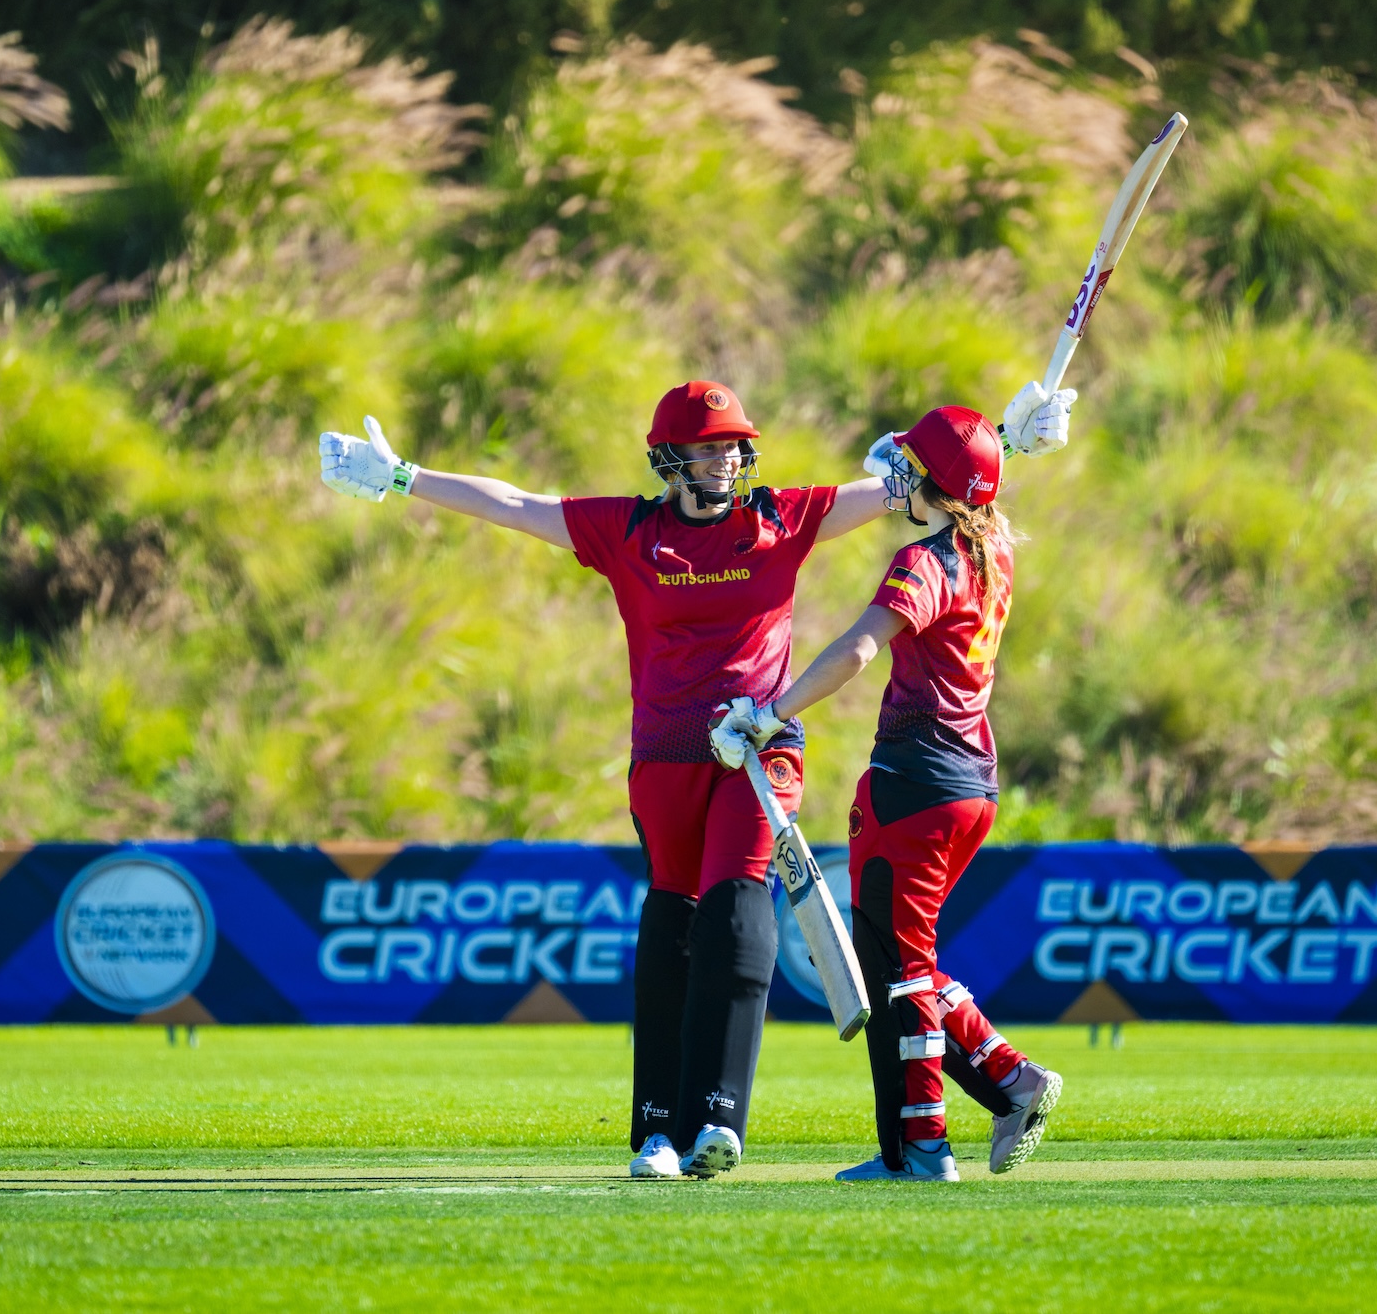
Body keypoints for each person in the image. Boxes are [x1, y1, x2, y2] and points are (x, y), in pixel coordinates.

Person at [318, 379, 1074, 1181]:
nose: (727, 458)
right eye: (710, 447)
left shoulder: (780, 516)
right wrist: (404, 477)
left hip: (758, 750)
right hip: (665, 759)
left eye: (734, 445)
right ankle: (659, 1132)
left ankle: (723, 1119)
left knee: (737, 906)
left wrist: (1003, 439)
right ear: (670, 458)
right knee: (672, 926)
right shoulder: (628, 529)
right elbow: (515, 503)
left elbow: (918, 484)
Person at [709, 403, 1061, 1182]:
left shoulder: (923, 562)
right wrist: (1009, 438)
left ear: (934, 484)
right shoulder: (994, 543)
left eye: (912, 465)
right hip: (969, 786)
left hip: (915, 785)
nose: (895, 474)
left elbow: (859, 648)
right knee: (905, 959)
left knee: (901, 973)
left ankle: (922, 1147)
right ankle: (1010, 1080)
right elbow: (973, 485)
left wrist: (771, 713)